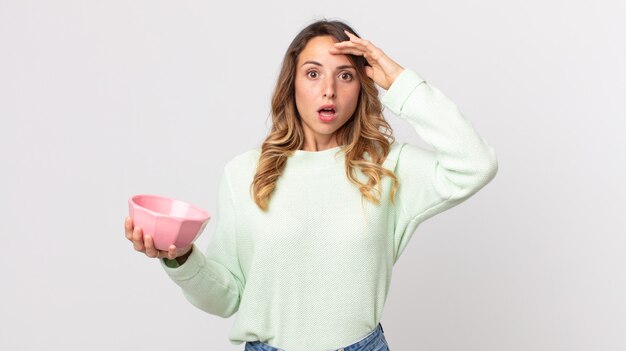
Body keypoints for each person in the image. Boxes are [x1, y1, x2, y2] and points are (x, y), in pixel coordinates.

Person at [124, 19, 498, 351]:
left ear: (362, 86)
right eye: (314, 73)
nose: (329, 90)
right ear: (293, 85)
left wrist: (401, 82)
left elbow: (476, 164)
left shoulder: (388, 166)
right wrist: (181, 257)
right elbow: (227, 299)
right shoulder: (243, 173)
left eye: (345, 75)